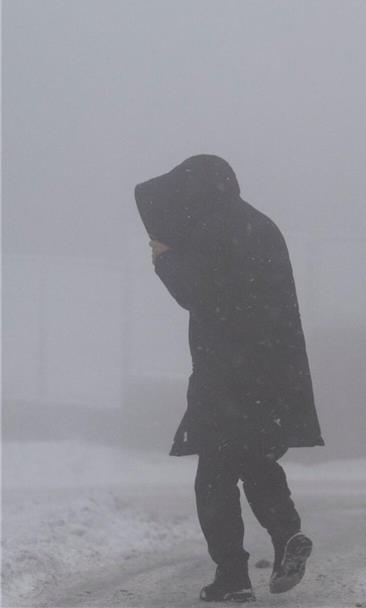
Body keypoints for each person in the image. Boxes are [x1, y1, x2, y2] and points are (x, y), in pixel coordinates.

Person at [135, 155, 324, 602]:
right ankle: (285, 534)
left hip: (224, 372)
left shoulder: (207, 231)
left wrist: (165, 261)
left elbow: (198, 294)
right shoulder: (262, 226)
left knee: (214, 479)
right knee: (256, 461)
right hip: (273, 371)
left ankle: (233, 575)